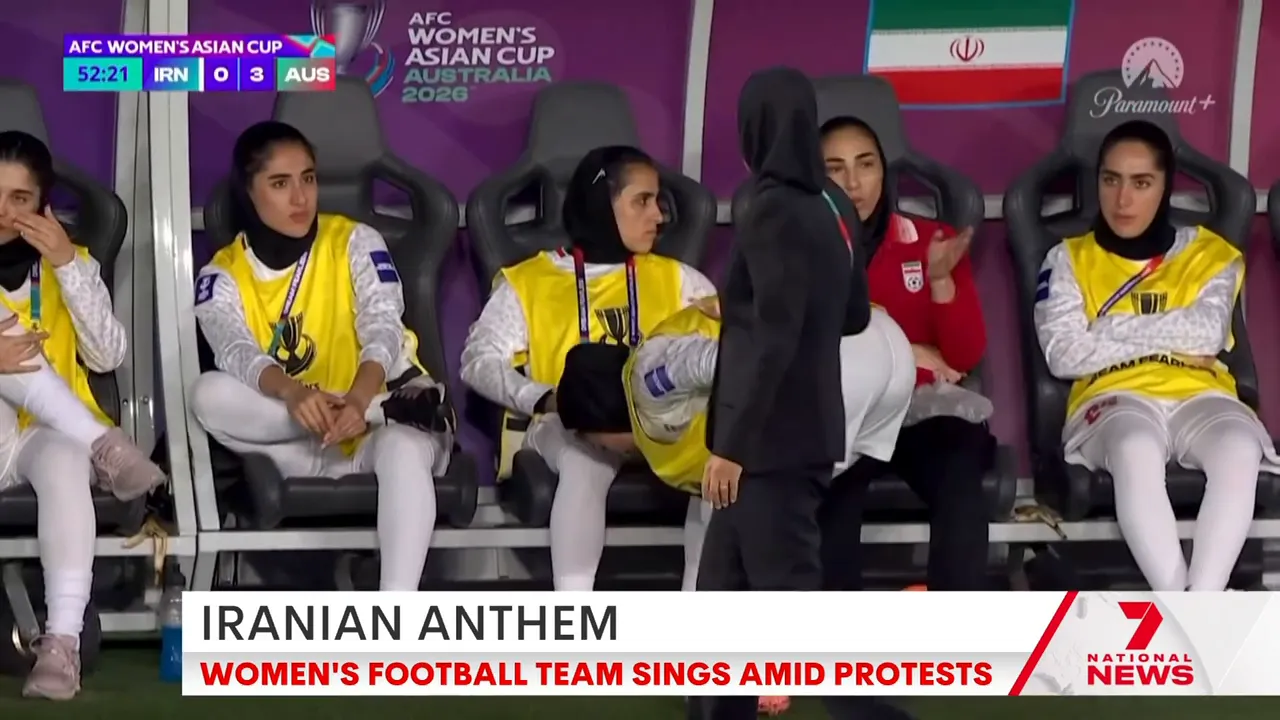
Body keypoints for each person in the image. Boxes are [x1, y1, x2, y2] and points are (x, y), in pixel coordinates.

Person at [556, 295, 913, 717]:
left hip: (838, 365)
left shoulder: (646, 380)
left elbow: (720, 360)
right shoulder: (665, 424)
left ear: (598, 419)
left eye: (592, 440)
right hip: (879, 361)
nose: (600, 449)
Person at [694, 67, 915, 720]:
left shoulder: (767, 206)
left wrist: (732, 447)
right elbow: (851, 316)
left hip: (766, 443)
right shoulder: (833, 203)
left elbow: (775, 336)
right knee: (720, 605)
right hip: (806, 428)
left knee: (795, 621)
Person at [189, 121, 452, 594]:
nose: (300, 198)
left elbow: (383, 325)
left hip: (381, 427)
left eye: (308, 178)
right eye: (280, 183)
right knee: (207, 393)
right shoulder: (222, 273)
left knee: (406, 449)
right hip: (301, 443)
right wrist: (293, 393)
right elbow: (234, 349)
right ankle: (375, 412)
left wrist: (359, 400)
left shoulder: (354, 240)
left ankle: (398, 627)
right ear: (248, 193)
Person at [460, 145, 715, 592]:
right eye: (642, 201)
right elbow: (478, 362)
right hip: (562, 422)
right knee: (584, 459)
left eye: (658, 202)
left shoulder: (682, 280)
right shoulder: (530, 281)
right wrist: (544, 397)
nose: (658, 215)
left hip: (661, 423)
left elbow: (723, 354)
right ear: (602, 203)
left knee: (719, 455)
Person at [1034, 120, 1276, 591]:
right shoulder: (1067, 259)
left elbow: (1206, 334)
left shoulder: (1211, 254)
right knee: (1135, 448)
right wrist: (1169, 334)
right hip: (1114, 397)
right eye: (1111, 180)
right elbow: (1064, 353)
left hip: (1199, 394)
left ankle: (1196, 610)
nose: (1123, 200)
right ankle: (1183, 608)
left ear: (1165, 186)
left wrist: (1106, 327)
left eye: (1141, 183)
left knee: (1240, 449)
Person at [0, 130, 167, 700]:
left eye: (19, 199)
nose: (3, 213)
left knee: (66, 457)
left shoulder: (71, 263)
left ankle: (60, 645)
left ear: (43, 206)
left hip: (44, 439)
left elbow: (108, 355)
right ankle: (108, 443)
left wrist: (68, 264)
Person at [818, 117, 995, 591]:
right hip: (845, 410)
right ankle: (837, 650)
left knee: (960, 473)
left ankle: (954, 640)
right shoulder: (802, 249)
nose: (854, 183)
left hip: (922, 412)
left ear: (884, 171)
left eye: (866, 165)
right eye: (836, 169)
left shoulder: (930, 239)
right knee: (828, 491)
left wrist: (940, 282)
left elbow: (963, 355)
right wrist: (907, 349)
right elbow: (803, 342)